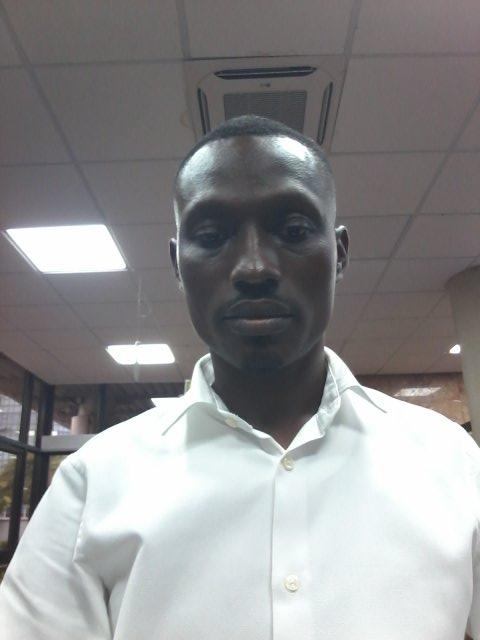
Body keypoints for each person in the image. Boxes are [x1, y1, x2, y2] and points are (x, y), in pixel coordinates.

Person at [0, 115, 478, 639]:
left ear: (339, 254)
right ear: (177, 265)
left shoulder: (454, 465)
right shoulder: (92, 484)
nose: (253, 267)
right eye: (211, 236)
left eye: (293, 231)